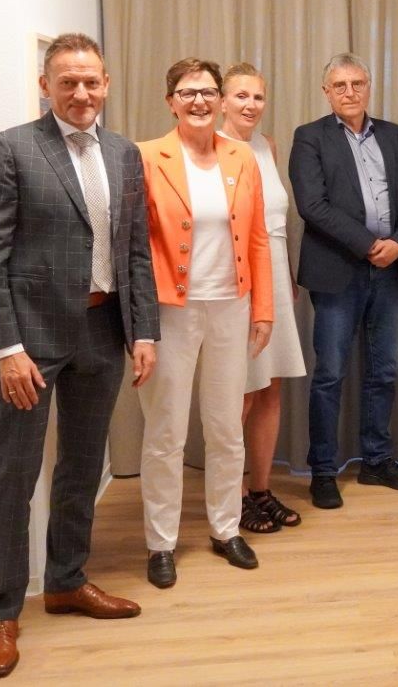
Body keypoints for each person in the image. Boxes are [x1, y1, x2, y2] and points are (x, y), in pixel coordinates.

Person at [0, 33, 158, 678]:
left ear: (106, 84)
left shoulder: (124, 152)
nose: (82, 93)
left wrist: (145, 331)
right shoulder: (11, 148)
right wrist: (6, 348)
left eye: (92, 82)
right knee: (15, 478)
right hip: (31, 343)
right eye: (68, 81)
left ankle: (66, 582)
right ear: (45, 85)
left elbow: (135, 250)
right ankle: (1, 611)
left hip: (103, 333)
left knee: (82, 469)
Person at [138, 58, 273, 588]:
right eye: (188, 92)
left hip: (230, 306)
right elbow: (134, 243)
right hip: (171, 310)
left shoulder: (242, 156)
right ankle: (161, 542)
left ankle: (225, 528)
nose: (200, 101)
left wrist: (263, 308)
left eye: (208, 92)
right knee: (166, 432)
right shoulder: (148, 156)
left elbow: (259, 237)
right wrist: (139, 323)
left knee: (224, 426)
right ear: (170, 100)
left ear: (220, 100)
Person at [289, 52, 398, 509]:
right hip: (337, 271)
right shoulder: (309, 138)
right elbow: (313, 205)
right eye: (340, 85)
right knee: (330, 374)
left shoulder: (395, 135)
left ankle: (376, 460)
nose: (350, 92)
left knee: (384, 370)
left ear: (369, 86)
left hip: (389, 269)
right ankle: (324, 470)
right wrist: (370, 244)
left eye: (357, 83)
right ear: (326, 92)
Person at [218, 63, 307, 533]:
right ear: (222, 100)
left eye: (257, 97)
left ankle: (260, 489)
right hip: (236, 282)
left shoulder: (268, 147)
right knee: (240, 394)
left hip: (274, 274)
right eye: (241, 96)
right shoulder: (211, 149)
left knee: (272, 387)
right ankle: (230, 499)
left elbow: (278, 226)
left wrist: (286, 280)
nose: (250, 105)